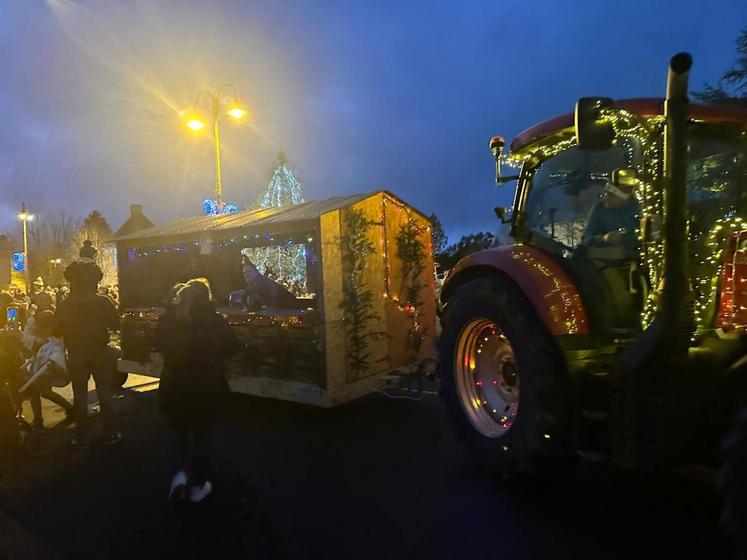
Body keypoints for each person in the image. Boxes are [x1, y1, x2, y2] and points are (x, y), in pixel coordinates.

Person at [154, 278, 239, 504]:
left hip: (174, 385)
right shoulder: (215, 320)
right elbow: (233, 348)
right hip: (206, 385)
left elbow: (158, 345)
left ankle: (181, 474)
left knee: (180, 434)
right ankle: (199, 485)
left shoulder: (167, 320)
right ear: (207, 296)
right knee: (203, 434)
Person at [56, 288, 121, 447]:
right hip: (99, 350)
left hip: (76, 352)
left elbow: (56, 329)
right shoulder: (103, 301)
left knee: (80, 396)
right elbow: (115, 324)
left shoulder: (66, 304)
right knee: (105, 393)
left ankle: (82, 436)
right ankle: (109, 432)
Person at [19, 310, 72, 429]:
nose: (39, 328)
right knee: (35, 392)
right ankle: (38, 420)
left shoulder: (55, 341)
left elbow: (57, 351)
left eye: (43, 325)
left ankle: (69, 409)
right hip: (38, 363)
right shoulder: (34, 332)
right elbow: (30, 344)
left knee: (44, 391)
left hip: (48, 364)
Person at [581, 168, 641, 249]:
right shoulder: (600, 209)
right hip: (607, 259)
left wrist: (627, 237)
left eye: (611, 195)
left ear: (624, 198)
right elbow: (586, 239)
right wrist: (604, 238)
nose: (605, 198)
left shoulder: (638, 209)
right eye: (605, 193)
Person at [229, 259, 298, 310]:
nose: (246, 275)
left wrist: (241, 292)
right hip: (280, 309)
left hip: (290, 309)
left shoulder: (262, 281)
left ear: (256, 272)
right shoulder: (251, 284)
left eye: (249, 271)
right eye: (244, 273)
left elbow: (256, 288)